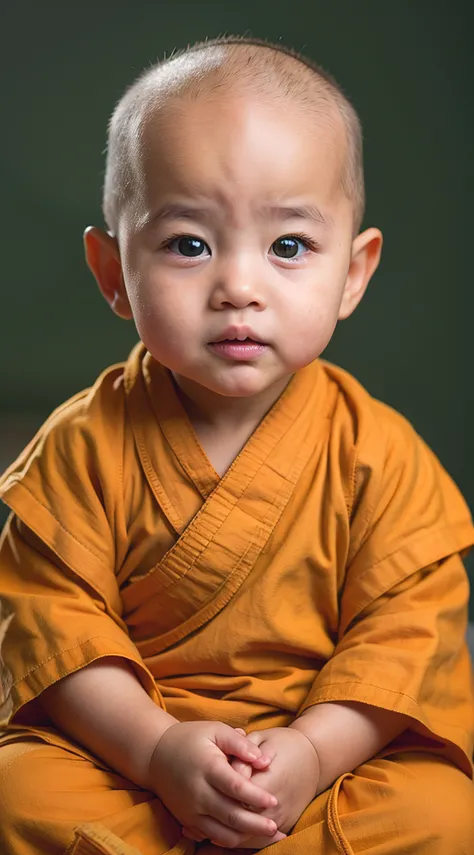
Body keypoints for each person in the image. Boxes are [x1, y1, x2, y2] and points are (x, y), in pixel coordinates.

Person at [0, 35, 473, 855]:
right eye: (189, 244)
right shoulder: (78, 448)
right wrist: (156, 748)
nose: (240, 287)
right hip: (128, 753)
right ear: (112, 271)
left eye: (289, 245)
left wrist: (313, 752)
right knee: (19, 789)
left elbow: (408, 637)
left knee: (441, 812)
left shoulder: (381, 456)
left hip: (323, 761)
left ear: (354, 273)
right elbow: (53, 627)